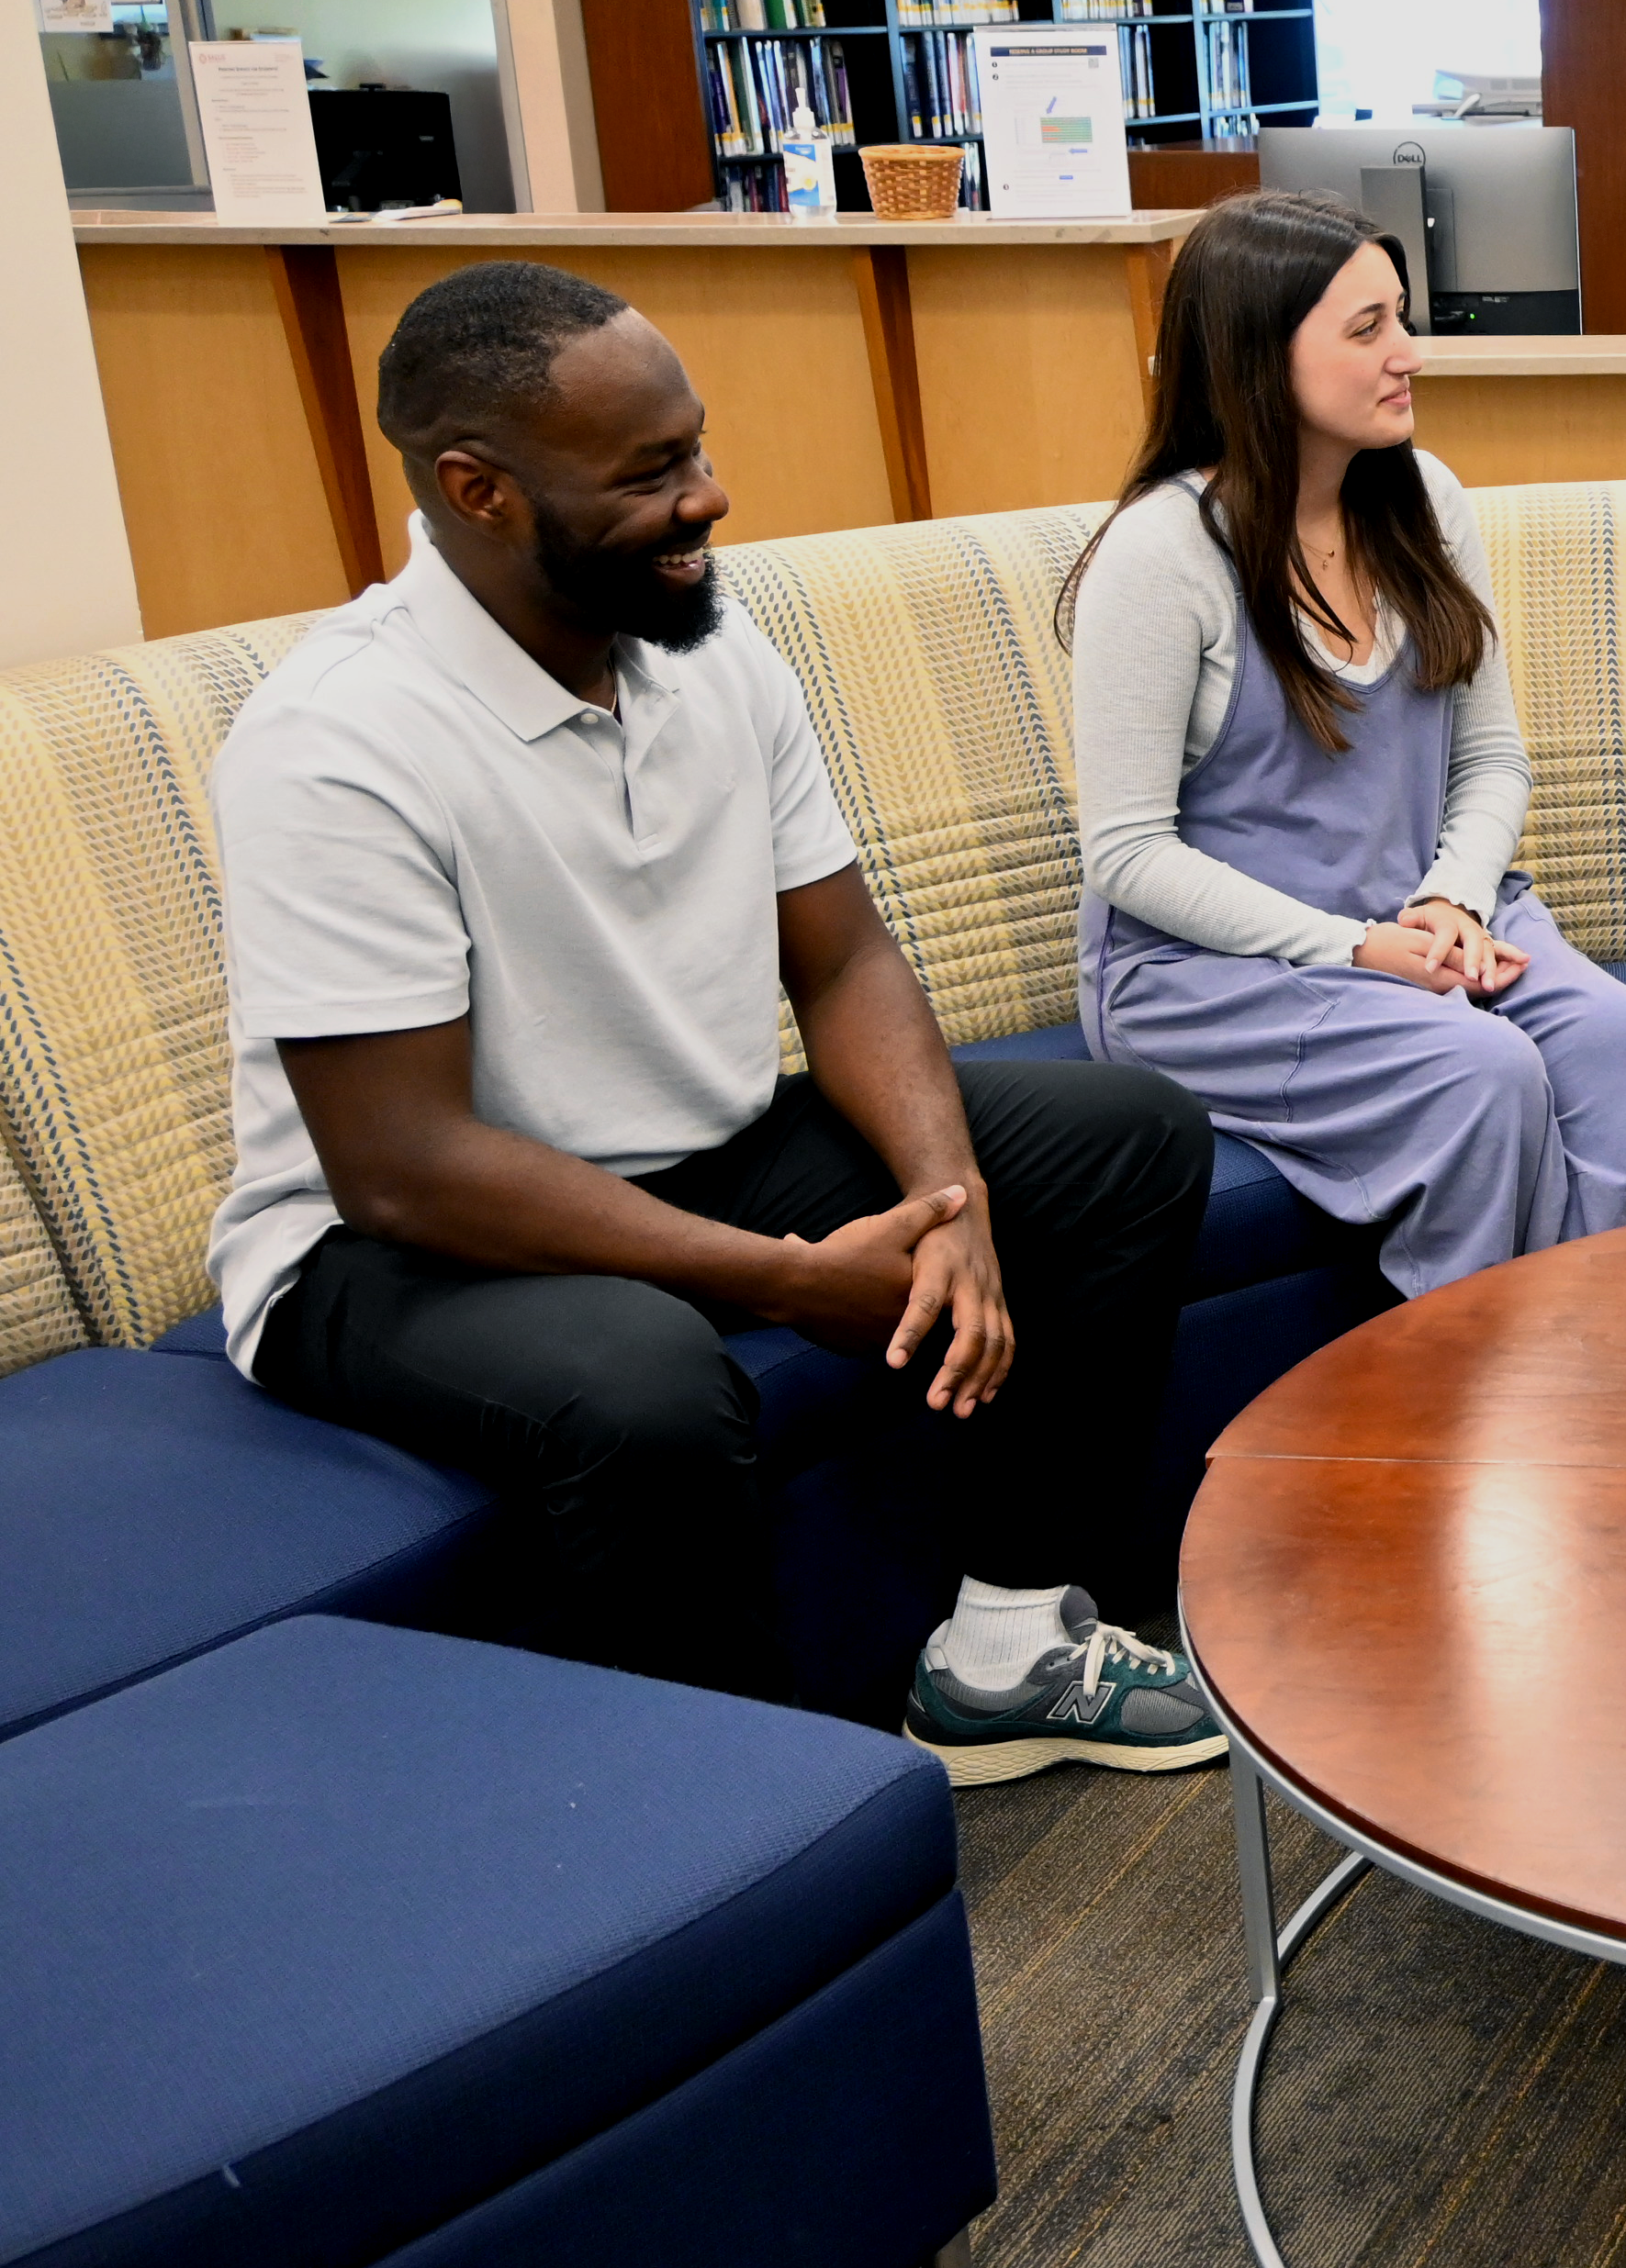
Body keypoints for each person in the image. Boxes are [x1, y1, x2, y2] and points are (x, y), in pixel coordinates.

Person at [211, 260, 1226, 1785]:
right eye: (652, 470)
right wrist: (784, 1277)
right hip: (387, 1247)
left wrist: (944, 1204)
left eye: (694, 445)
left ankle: (1007, 1644)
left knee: (1120, 1138)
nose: (711, 496)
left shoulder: (708, 646)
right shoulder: (337, 741)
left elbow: (844, 959)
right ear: (479, 489)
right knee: (645, 1380)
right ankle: (746, 1815)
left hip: (694, 1147)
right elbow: (403, 1164)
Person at [1069, 189, 1626, 1297]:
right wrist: (1353, 948)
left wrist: (1453, 900)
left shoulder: (1426, 500)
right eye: (1368, 330)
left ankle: (1611, 1392)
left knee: (1621, 1042)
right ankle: (1475, 1421)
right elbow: (1126, 856)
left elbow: (1492, 761)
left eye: (1401, 317)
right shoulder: (1160, 557)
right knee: (1482, 1074)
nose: (1410, 355)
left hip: (1420, 921)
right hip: (1215, 974)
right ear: (1258, 356)